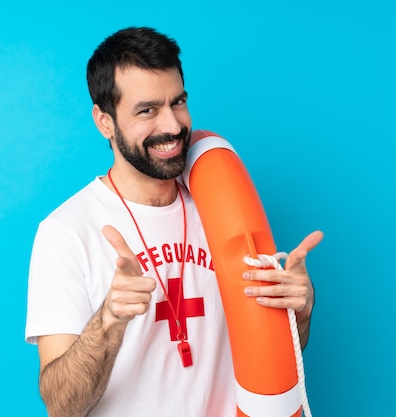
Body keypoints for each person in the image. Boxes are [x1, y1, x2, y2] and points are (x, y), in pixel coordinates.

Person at [25, 26, 323, 417]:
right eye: (147, 110)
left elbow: (277, 354)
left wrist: (298, 312)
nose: (171, 125)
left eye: (177, 102)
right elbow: (62, 406)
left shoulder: (220, 208)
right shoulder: (65, 232)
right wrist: (110, 320)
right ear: (104, 121)